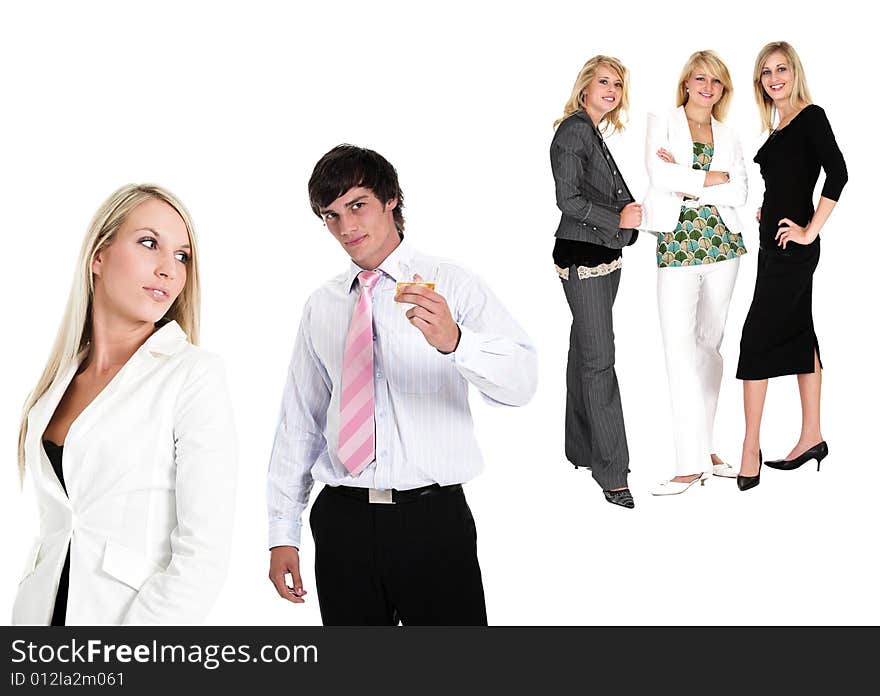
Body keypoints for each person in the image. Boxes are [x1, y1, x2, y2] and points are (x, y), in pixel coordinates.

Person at [266, 145, 537, 626]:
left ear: (390, 199)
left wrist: (456, 342)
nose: (345, 228)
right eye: (330, 216)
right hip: (341, 523)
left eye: (357, 206)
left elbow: (521, 383)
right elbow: (299, 421)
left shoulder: (453, 285)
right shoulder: (323, 305)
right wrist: (282, 532)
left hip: (432, 522)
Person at [12, 184, 236, 625]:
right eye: (149, 243)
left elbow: (204, 553)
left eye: (182, 256)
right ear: (98, 256)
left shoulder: (193, 375)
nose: (168, 269)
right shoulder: (56, 383)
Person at [736, 41, 847, 490]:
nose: (774, 77)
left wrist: (810, 228)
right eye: (766, 72)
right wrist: (770, 206)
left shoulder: (811, 116)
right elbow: (791, 179)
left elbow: (838, 172)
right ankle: (812, 436)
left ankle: (749, 449)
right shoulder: (781, 123)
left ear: (794, 71)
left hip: (792, 250)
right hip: (773, 245)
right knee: (801, 332)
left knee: (755, 339)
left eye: (781, 68)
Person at [641, 50, 748, 496]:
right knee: (678, 349)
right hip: (678, 242)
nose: (707, 87)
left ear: (723, 90)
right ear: (687, 82)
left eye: (716, 81)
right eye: (700, 78)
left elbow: (740, 190)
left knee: (710, 347)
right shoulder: (661, 121)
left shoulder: (728, 132)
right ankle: (688, 464)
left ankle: (705, 451)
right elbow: (658, 175)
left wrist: (689, 177)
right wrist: (711, 178)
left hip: (723, 244)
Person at [550, 55, 642, 508]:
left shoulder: (593, 132)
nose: (611, 90)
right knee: (599, 361)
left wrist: (629, 218)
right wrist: (619, 218)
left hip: (604, 255)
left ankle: (581, 448)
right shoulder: (572, 130)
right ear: (585, 85)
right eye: (604, 81)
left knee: (583, 353)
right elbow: (567, 199)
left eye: (618, 85)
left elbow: (607, 194)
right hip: (583, 259)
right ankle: (612, 472)